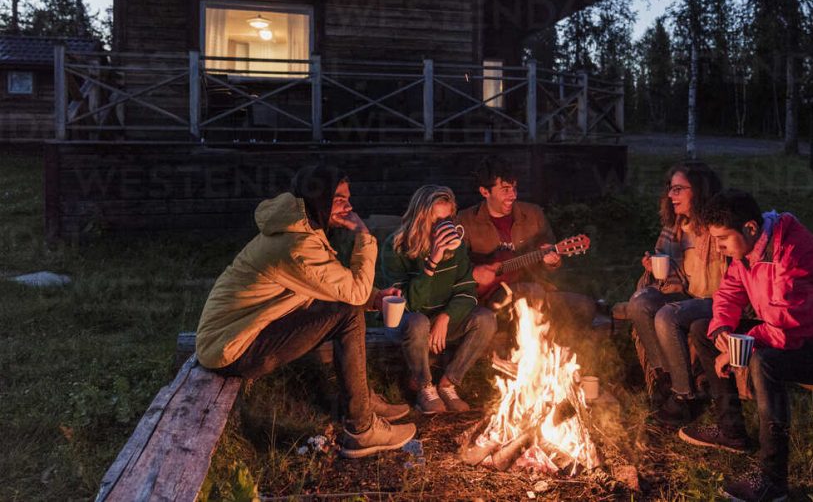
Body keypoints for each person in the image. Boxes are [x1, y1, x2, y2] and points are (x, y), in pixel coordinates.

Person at [195, 164, 415, 459]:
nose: (349, 206)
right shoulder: (297, 244)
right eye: (339, 199)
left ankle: (362, 401)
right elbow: (352, 293)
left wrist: (376, 299)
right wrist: (364, 236)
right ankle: (362, 429)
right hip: (231, 347)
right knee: (348, 313)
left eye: (348, 198)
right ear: (319, 199)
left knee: (347, 307)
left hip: (237, 334)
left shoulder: (301, 229)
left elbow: (330, 284)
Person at [679, 189, 813, 502]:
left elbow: (790, 329)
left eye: (723, 239)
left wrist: (744, 344)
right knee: (704, 329)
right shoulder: (748, 252)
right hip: (795, 335)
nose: (719, 247)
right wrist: (723, 330)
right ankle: (731, 430)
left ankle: (773, 482)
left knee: (765, 362)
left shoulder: (794, 253)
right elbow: (730, 292)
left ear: (751, 229)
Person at [379, 185, 497, 414]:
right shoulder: (396, 247)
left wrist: (446, 317)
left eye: (447, 220)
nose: (442, 227)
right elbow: (407, 304)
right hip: (406, 322)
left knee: (486, 318)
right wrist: (431, 263)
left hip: (441, 319)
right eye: (436, 221)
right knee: (418, 322)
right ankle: (424, 386)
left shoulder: (456, 246)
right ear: (420, 218)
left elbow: (467, 290)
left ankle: (448, 383)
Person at [625, 161, 726, 425]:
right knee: (639, 303)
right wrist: (658, 266)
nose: (671, 195)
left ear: (700, 191)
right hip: (687, 295)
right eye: (671, 189)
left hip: (718, 301)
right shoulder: (676, 227)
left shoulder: (720, 225)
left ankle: (684, 397)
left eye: (679, 189)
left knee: (667, 316)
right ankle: (666, 380)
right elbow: (673, 278)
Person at [455, 156, 597, 332]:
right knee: (529, 292)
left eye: (514, 188)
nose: (513, 195)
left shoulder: (533, 214)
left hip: (537, 289)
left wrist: (552, 262)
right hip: (490, 297)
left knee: (585, 306)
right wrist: (475, 272)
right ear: (485, 192)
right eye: (505, 189)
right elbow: (452, 265)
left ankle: (560, 354)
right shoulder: (466, 220)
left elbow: (552, 258)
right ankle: (525, 352)